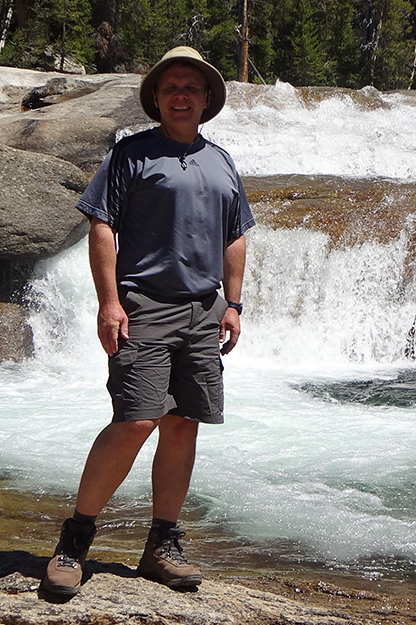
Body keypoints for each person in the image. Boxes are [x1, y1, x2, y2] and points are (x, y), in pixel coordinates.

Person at [40, 46, 255, 598]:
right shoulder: (131, 155)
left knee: (184, 422)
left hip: (204, 311)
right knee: (137, 420)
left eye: (191, 86)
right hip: (143, 306)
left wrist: (233, 303)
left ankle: (162, 545)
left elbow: (235, 234)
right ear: (157, 99)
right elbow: (102, 227)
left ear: (206, 99)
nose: (181, 94)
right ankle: (75, 542)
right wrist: (108, 302)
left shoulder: (222, 160)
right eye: (171, 87)